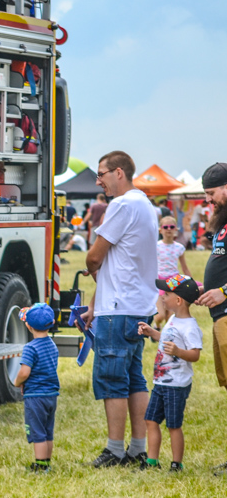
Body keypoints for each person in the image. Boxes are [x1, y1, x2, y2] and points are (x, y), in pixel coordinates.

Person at [82, 150, 158, 468]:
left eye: (101, 174)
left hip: (117, 307)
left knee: (112, 378)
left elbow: (94, 258)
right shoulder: (146, 205)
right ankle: (138, 447)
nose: (99, 181)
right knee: (134, 378)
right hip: (138, 304)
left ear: (118, 173)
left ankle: (114, 450)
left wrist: (100, 299)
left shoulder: (122, 204)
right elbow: (121, 263)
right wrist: (92, 305)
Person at [136, 275, 202, 472]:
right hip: (161, 382)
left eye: (166, 294)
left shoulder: (190, 326)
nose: (162, 297)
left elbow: (195, 354)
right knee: (151, 420)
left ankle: (176, 463)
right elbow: (166, 338)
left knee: (174, 425)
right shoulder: (172, 319)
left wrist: (179, 352)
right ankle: (152, 461)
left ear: (179, 300)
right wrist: (153, 333)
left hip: (177, 385)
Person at [194, 162, 227, 475]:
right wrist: (205, 288)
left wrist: (224, 292)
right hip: (220, 316)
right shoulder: (223, 222)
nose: (209, 201)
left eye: (212, 193)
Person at [14, 303, 59, 472]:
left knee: (37, 432)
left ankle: (40, 466)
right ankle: (46, 463)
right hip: (51, 395)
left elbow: (25, 372)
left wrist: (17, 382)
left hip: (35, 396)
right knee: (48, 431)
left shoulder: (30, 348)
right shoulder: (52, 345)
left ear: (28, 325)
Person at [153, 217, 191, 329]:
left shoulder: (179, 248)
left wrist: (191, 283)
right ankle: (157, 325)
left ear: (176, 229)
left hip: (174, 283)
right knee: (160, 315)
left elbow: (185, 267)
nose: (168, 229)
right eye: (165, 227)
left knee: (170, 316)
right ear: (160, 230)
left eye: (172, 227)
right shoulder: (156, 246)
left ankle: (167, 338)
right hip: (159, 282)